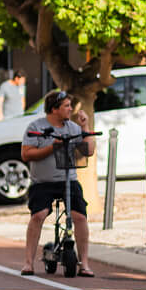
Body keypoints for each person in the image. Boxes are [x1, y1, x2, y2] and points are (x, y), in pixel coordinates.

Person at [20, 90, 94, 277]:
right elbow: (26, 154)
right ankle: (28, 262)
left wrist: (85, 127)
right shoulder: (36, 126)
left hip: (68, 180)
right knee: (39, 215)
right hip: (43, 182)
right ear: (54, 109)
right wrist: (51, 148)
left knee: (80, 217)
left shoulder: (73, 127)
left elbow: (89, 151)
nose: (71, 109)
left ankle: (84, 263)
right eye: (67, 106)